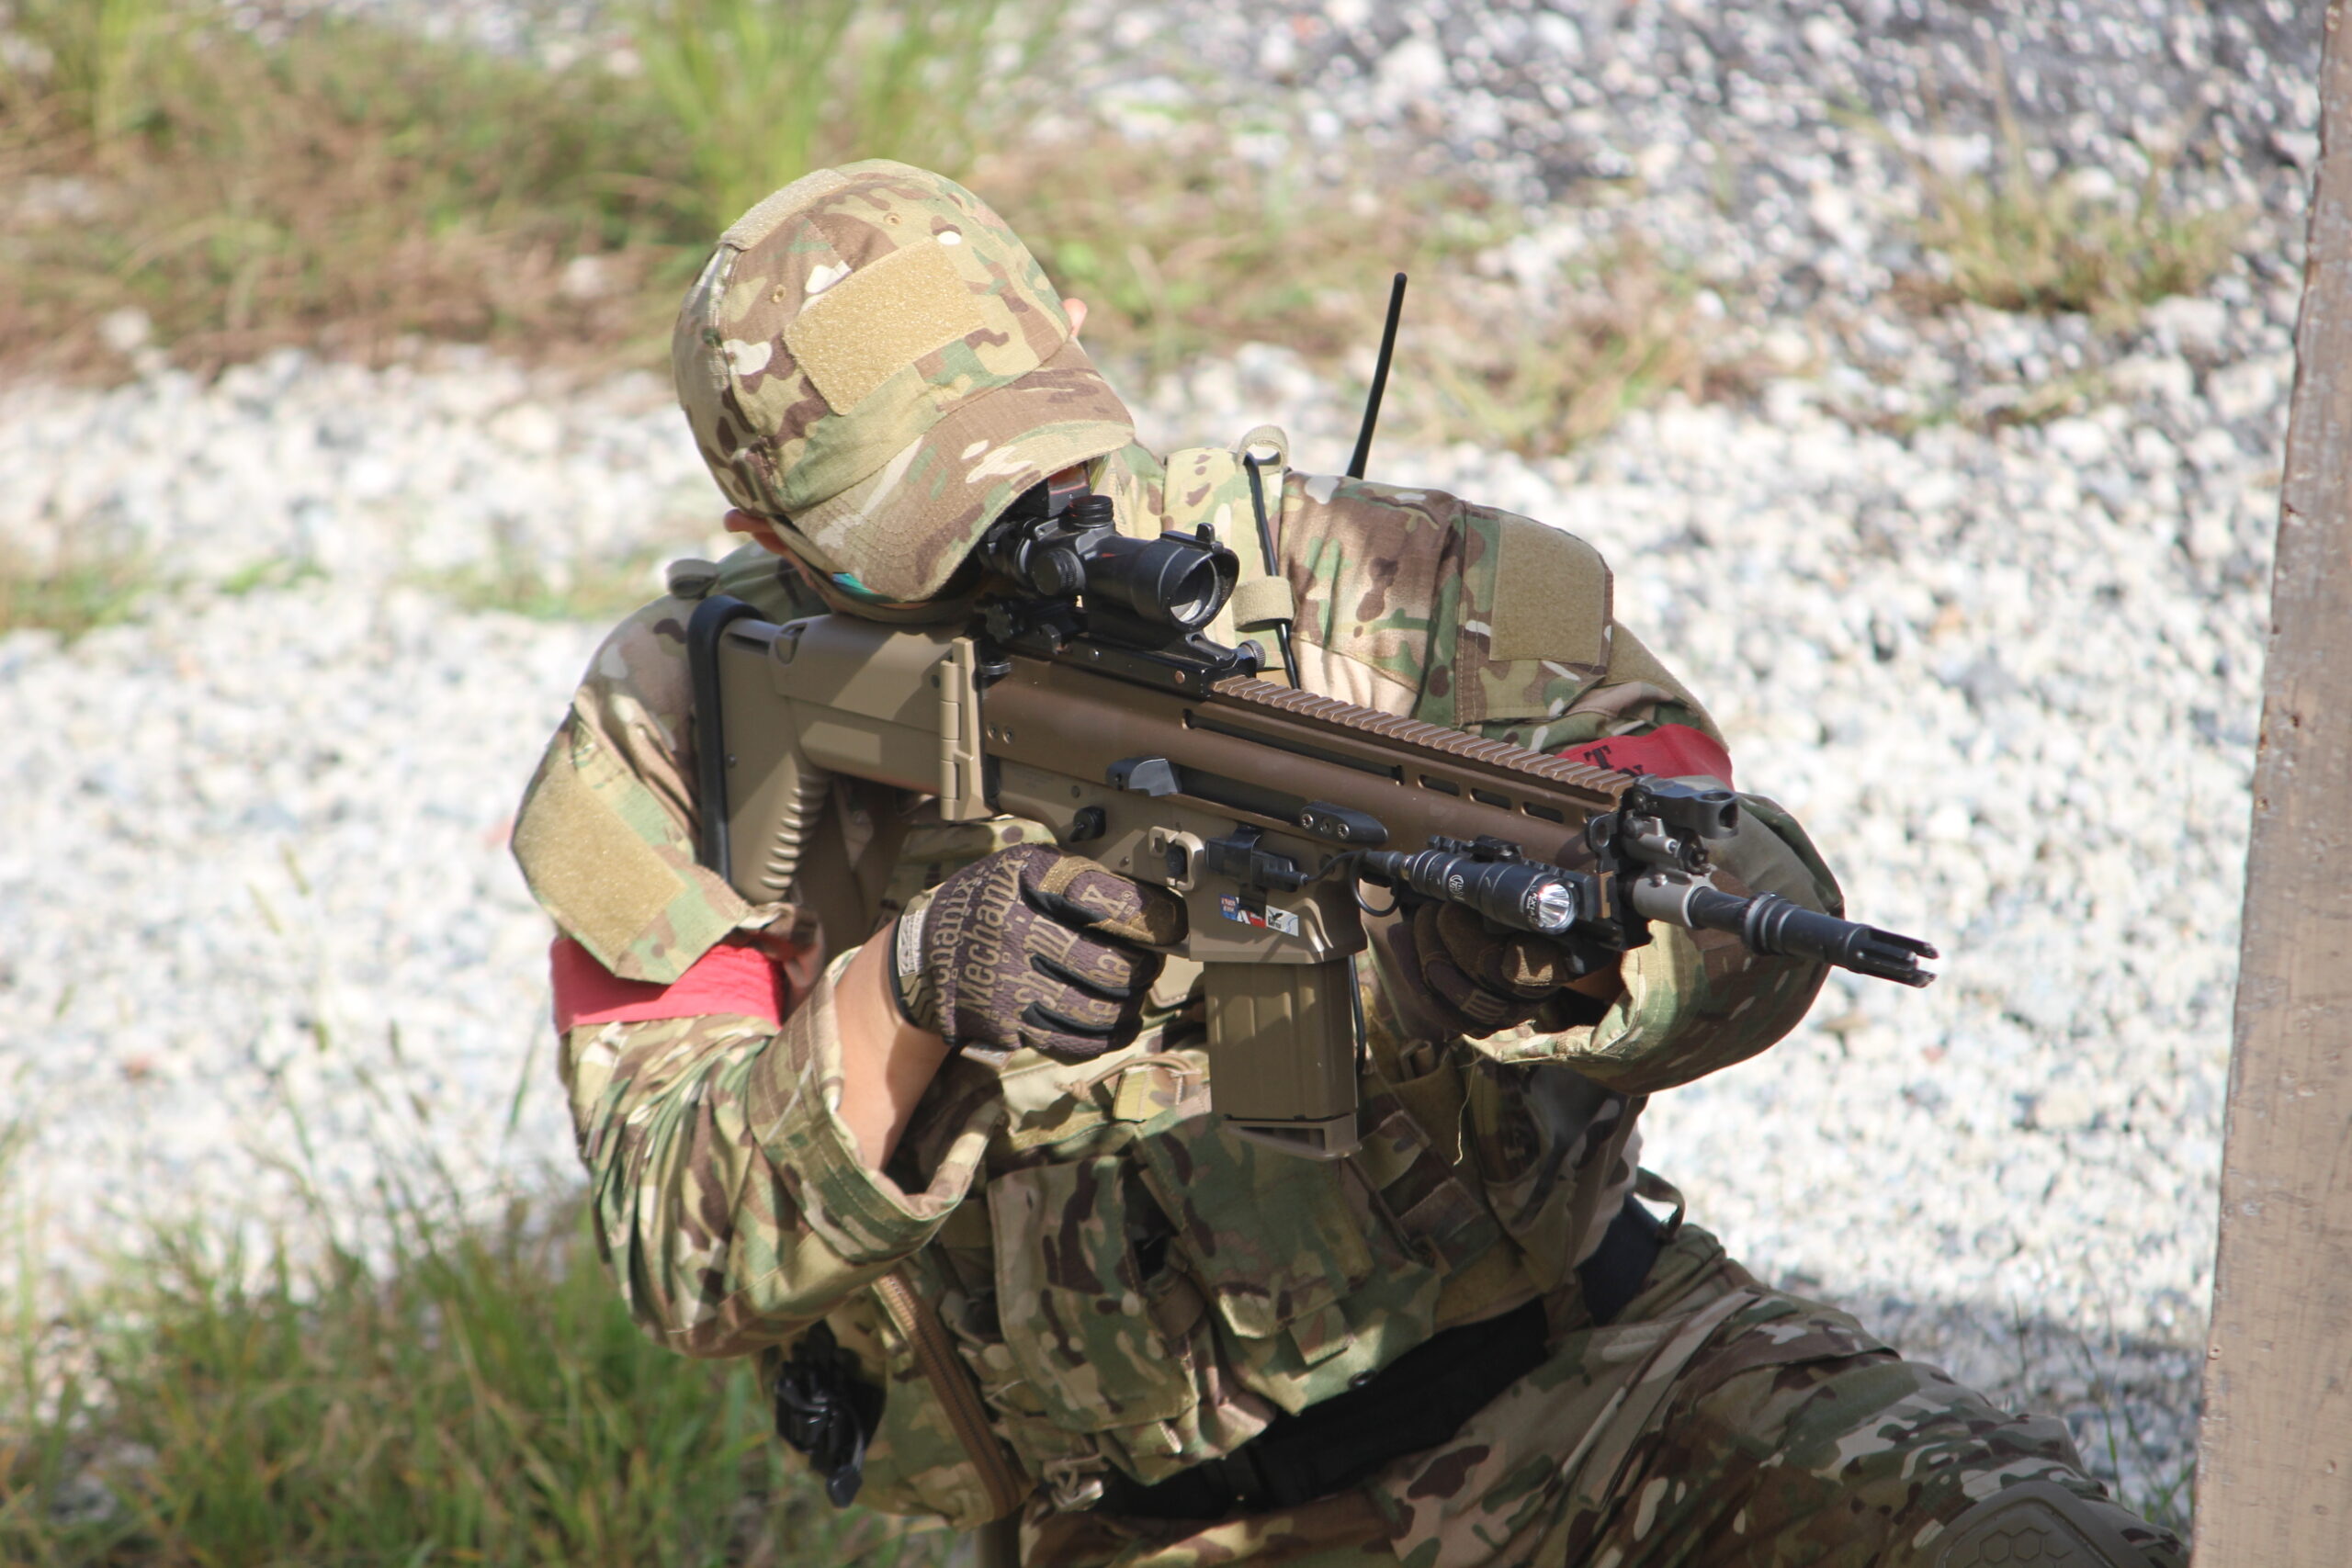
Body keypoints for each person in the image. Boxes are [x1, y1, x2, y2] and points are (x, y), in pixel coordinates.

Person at [511, 160, 2181, 1568]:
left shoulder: (1409, 586)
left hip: (1599, 1392)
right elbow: (684, 1257)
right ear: (762, 540)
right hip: (1139, 1527)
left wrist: (1577, 977)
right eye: (923, 541)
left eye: (1042, 465)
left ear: (1080, 337)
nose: (1024, 545)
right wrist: (909, 991)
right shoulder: (681, 722)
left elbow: (1745, 893)